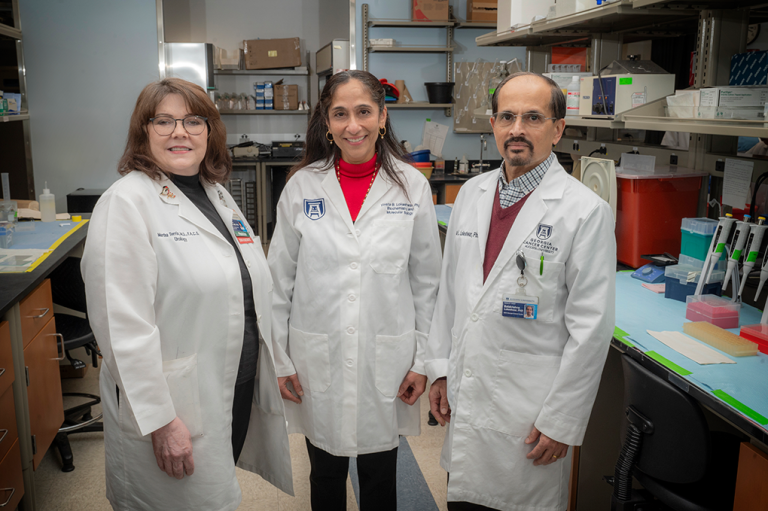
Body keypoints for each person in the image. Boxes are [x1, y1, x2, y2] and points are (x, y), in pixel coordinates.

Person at [82, 77, 293, 510]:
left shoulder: (215, 193)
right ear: (143, 132)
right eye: (164, 121)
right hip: (173, 405)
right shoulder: (125, 203)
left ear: (210, 132)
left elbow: (248, 287)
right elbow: (122, 329)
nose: (180, 132)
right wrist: (161, 421)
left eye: (193, 121)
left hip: (231, 383)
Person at [425, 72, 616, 510]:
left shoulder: (585, 213)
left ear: (558, 128)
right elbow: (450, 296)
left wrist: (562, 421)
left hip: (530, 413)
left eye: (533, 117)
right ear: (492, 124)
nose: (517, 130)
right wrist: (438, 368)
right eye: (507, 116)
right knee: (465, 500)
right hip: (469, 398)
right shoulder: (470, 194)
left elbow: (591, 328)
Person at [268, 70, 442, 510]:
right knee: (324, 472)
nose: (353, 125)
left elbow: (427, 283)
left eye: (364, 112)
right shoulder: (302, 186)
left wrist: (423, 360)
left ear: (383, 117)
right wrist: (281, 358)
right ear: (326, 123)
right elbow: (278, 281)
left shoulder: (412, 187)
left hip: (387, 356)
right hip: (316, 354)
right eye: (340, 114)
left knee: (381, 475)